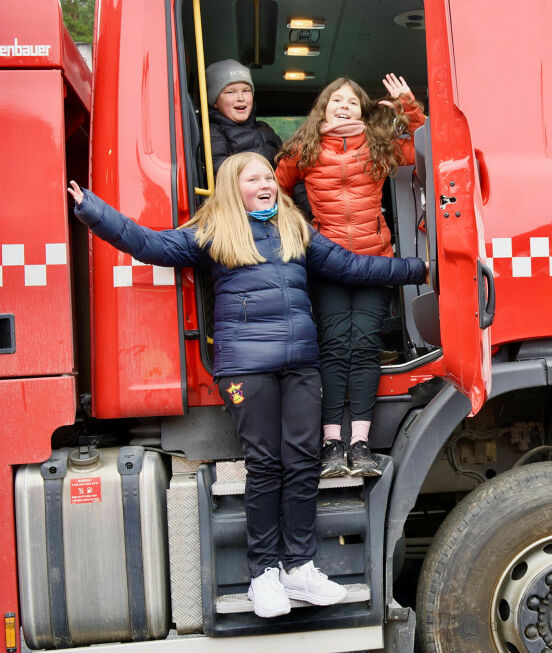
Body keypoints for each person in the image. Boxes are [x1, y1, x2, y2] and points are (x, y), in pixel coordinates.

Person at [68, 152, 426, 618]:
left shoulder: (293, 228)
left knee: (301, 463)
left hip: (300, 365)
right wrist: (93, 209)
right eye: (253, 178)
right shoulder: (215, 230)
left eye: (268, 178)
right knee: (266, 464)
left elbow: (353, 267)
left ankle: (299, 568)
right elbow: (150, 245)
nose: (266, 184)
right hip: (246, 368)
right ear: (232, 187)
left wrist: (420, 269)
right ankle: (264, 576)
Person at [275, 74, 425, 478]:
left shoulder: (379, 146)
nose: (344, 106)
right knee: (336, 348)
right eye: (336, 99)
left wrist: (408, 106)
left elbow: (426, 150)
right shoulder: (303, 149)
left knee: (364, 347)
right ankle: (331, 444)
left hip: (375, 261)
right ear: (323, 107)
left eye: (352, 102)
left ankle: (360, 443)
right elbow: (274, 190)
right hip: (329, 263)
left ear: (363, 110)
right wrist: (303, 228)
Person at [205, 59, 282, 172]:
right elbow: (223, 175)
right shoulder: (212, 133)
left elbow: (286, 167)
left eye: (246, 91)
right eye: (231, 92)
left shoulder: (265, 128)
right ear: (215, 102)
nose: (241, 98)